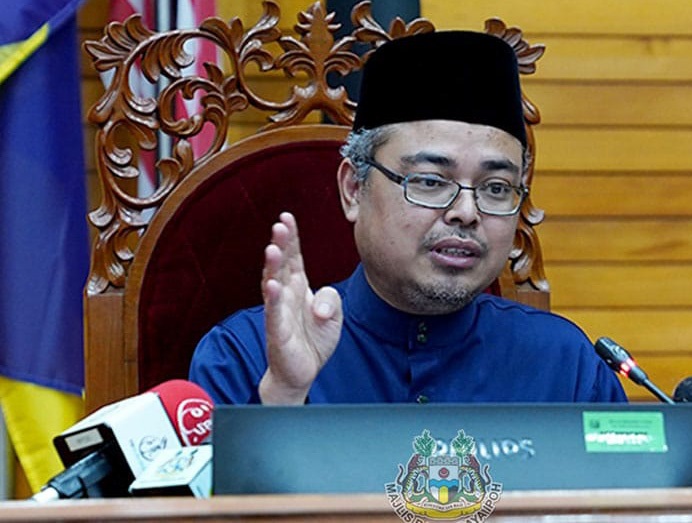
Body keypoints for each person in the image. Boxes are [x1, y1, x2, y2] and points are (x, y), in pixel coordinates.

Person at [189, 30, 627, 405]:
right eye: (431, 181)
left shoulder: (567, 366)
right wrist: (283, 394)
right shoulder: (244, 354)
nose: (466, 213)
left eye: (495, 188)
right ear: (354, 188)